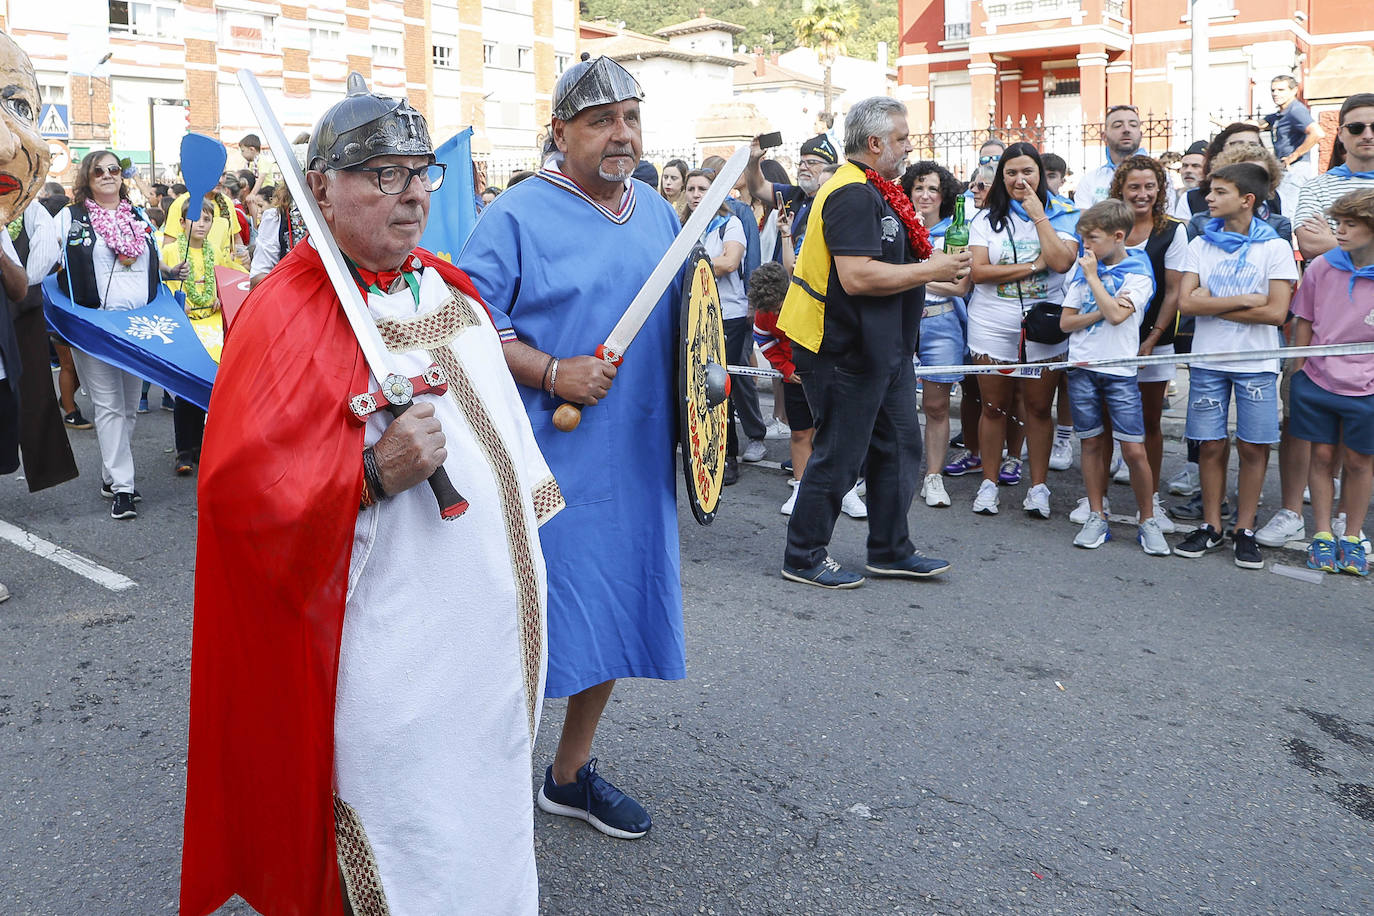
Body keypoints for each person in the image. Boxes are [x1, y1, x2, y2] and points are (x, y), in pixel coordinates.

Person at [180, 73, 559, 916]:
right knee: (398, 830)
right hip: (380, 648)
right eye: (383, 174)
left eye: (420, 171)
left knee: (486, 816)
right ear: (321, 188)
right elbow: (240, 499)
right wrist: (371, 474)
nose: (412, 192)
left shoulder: (452, 295)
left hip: (487, 641)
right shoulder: (286, 313)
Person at [458, 53, 682, 841]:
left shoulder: (655, 211)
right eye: (600, 121)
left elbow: (683, 326)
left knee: (616, 609)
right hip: (547, 460)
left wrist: (707, 384)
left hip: (636, 453)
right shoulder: (515, 214)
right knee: (519, 623)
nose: (621, 135)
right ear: (561, 132)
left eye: (630, 118)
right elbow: (471, 324)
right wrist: (552, 370)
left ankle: (568, 774)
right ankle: (471, 786)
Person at [776, 96, 966, 588]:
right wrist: (933, 269)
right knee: (841, 452)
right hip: (843, 348)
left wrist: (931, 274)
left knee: (900, 448)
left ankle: (889, 549)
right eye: (902, 138)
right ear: (876, 142)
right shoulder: (852, 193)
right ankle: (803, 555)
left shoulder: (873, 188)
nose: (908, 146)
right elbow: (857, 277)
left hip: (885, 349)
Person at [1172, 163, 1298, 568]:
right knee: (1209, 445)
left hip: (1257, 364)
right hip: (1208, 361)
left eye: (1219, 191)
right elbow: (1186, 304)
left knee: (1253, 446)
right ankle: (1212, 525)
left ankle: (1244, 529)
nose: (1208, 197)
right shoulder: (1200, 243)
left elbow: (1278, 313)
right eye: (1209, 190)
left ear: (1247, 200)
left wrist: (1215, 304)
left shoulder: (1274, 247)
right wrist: (1247, 300)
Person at [966, 142, 1079, 517]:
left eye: (1027, 171)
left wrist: (1038, 217)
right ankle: (988, 484)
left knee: (1037, 408)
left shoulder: (1063, 213)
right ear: (1001, 176)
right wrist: (1032, 265)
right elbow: (978, 273)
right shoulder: (985, 219)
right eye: (1011, 172)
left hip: (1044, 326)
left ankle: (1039, 488)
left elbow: (1062, 262)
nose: (1019, 179)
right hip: (992, 324)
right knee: (994, 407)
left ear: (1040, 174)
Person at [55, 150, 168, 520]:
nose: (107, 175)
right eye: (99, 170)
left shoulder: (136, 217)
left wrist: (170, 271)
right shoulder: (71, 218)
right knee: (108, 408)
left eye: (114, 170)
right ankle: (124, 487)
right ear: (87, 177)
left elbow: (148, 266)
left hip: (138, 329)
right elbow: (43, 259)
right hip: (97, 328)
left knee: (129, 408)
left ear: (121, 176)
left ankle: (110, 475)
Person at [1058, 200, 1166, 554]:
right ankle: (1096, 514)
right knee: (1090, 442)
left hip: (1119, 371)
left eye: (1092, 238)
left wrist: (1094, 281)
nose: (1085, 246)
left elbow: (1119, 317)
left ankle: (1147, 518)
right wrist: (1100, 308)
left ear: (1118, 236)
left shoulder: (1138, 271)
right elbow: (1067, 322)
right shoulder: (1084, 269)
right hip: (1084, 367)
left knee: (1134, 449)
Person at [1291, 189, 1374, 576]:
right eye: (1338, 222)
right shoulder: (1322, 266)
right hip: (1319, 379)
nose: (1339, 231)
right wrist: (1300, 367)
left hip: (1367, 387)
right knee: (1322, 457)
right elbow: (1303, 318)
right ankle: (1322, 533)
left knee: (1359, 461)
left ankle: (1353, 536)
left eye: (1350, 225)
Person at [1108, 156, 1186, 534]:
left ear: (1160, 189)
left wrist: (1152, 339)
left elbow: (1173, 293)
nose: (1142, 194)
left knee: (1150, 421)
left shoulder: (1173, 231)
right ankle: (1098, 500)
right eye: (1134, 187)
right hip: (1110, 340)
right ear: (1120, 190)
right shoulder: (1109, 226)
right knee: (1106, 420)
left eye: (1149, 186)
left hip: (1153, 342)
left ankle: (1150, 499)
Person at [680, 167, 771, 486]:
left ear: (715, 192)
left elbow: (731, 261)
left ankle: (729, 455)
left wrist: (687, 264)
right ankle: (702, 448)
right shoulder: (683, 225)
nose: (695, 194)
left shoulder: (729, 222)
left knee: (721, 387)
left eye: (702, 189)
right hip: (693, 312)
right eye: (690, 188)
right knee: (697, 386)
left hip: (727, 314)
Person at [901, 160, 971, 508]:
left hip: (940, 322)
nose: (925, 195)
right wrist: (931, 274)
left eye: (933, 189)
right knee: (888, 404)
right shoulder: (897, 227)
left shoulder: (955, 230)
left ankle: (933, 476)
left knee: (936, 405)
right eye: (919, 187)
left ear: (945, 195)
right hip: (899, 322)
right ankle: (884, 473)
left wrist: (908, 274)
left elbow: (959, 286)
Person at [160, 197, 219, 475]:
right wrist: (175, 300)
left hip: (212, 327)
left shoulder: (214, 251)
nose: (201, 225)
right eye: (195, 218)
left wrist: (220, 296)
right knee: (186, 388)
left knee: (211, 385)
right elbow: (161, 285)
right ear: (182, 223)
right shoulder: (171, 252)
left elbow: (226, 278)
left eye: (207, 219)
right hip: (185, 327)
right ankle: (184, 449)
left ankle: (202, 446)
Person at [751, 261, 813, 513]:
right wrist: (786, 368)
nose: (774, 315)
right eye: (770, 311)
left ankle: (842, 489)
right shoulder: (763, 312)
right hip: (793, 376)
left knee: (827, 432)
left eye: (778, 308)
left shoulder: (806, 300)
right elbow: (763, 339)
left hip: (821, 372)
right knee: (800, 433)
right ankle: (800, 486)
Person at [1294, 93, 1374, 262]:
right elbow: (1309, 245)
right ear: (1340, 134)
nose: (1367, 135)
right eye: (1356, 128)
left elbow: (1321, 246)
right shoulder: (1315, 187)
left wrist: (1332, 240)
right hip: (1331, 287)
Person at [746, 131, 840, 255]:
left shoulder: (834, 203)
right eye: (801, 162)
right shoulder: (793, 193)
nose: (802, 167)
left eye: (811, 163)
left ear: (829, 168)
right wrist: (753, 159)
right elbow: (758, 188)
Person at [1267, 75, 1326, 218]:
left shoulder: (1296, 110)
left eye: (1281, 90)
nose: (1275, 93)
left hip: (1295, 169)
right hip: (1286, 171)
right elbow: (1257, 124)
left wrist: (1293, 156)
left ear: (1294, 91)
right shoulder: (1280, 114)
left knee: (1289, 213)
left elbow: (1317, 133)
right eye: (1273, 90)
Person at [1075, 104, 1144, 207]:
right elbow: (1085, 221)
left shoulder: (1159, 176)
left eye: (1133, 125)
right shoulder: (1090, 180)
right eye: (1117, 125)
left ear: (1141, 135)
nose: (1126, 129)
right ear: (1104, 136)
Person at [1169, 141, 1208, 220]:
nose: (1188, 170)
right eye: (1185, 166)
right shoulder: (1171, 196)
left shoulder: (1212, 199)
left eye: (1196, 166)